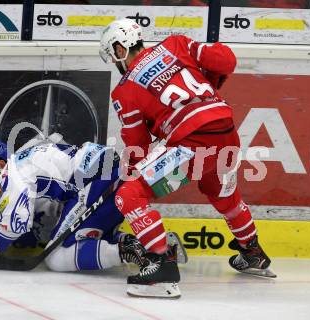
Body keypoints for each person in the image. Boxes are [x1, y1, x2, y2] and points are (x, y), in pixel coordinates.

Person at [99, 18, 276, 295]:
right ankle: (252, 252)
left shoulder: (124, 90)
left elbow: (138, 144)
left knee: (129, 195)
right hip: (226, 131)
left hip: (194, 142)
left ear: (121, 49)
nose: (115, 62)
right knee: (220, 192)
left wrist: (133, 174)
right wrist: (210, 80)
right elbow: (226, 61)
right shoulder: (176, 44)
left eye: (113, 55)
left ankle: (162, 267)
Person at [0, 136, 186, 297]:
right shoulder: (25, 160)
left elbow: (14, 226)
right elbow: (39, 215)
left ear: (0, 164)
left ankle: (141, 250)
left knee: (57, 258)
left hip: (100, 183)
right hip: (108, 177)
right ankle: (158, 244)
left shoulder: (13, 173)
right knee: (80, 239)